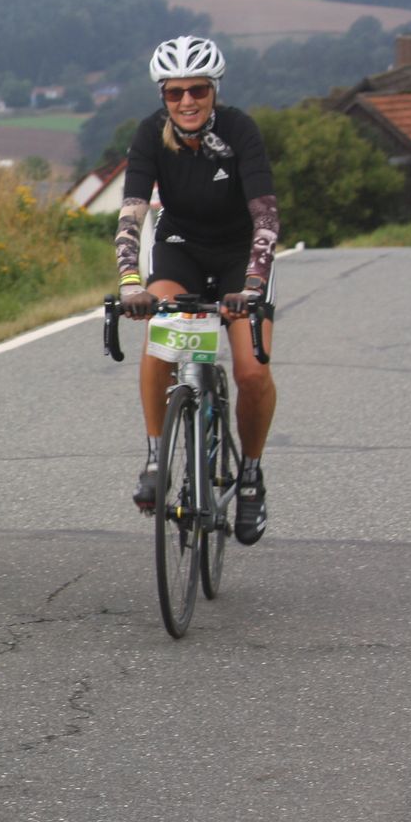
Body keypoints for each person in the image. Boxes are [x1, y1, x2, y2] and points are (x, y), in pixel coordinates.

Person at [114, 34, 277, 544]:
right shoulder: (150, 135)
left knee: (252, 371)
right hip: (180, 249)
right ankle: (155, 457)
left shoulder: (240, 130)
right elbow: (132, 213)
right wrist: (130, 283)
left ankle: (250, 476)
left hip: (239, 257)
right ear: (163, 95)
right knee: (159, 338)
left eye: (198, 90)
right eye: (175, 91)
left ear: (214, 91)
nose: (187, 101)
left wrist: (253, 285)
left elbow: (265, 216)